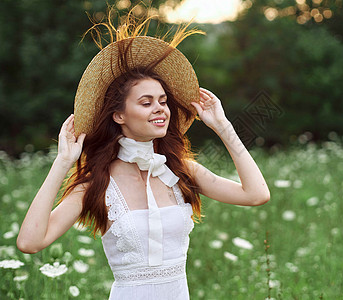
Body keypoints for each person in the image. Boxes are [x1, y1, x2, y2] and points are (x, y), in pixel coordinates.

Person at [16, 9, 270, 300]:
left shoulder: (181, 171)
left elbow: (256, 195)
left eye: (162, 101)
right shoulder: (97, 184)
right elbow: (30, 242)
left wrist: (224, 128)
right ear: (119, 116)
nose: (160, 108)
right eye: (146, 102)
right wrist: (62, 163)